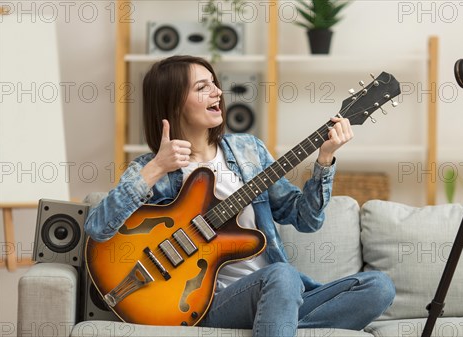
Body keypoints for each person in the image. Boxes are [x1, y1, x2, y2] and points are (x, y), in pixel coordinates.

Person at [85, 55, 395, 337]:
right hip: (209, 303)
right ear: (173, 102)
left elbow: (306, 219)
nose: (217, 92)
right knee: (282, 276)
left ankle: (275, 323)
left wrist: (324, 160)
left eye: (215, 85)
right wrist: (155, 169)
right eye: (202, 88)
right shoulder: (152, 169)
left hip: (276, 291)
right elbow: (98, 228)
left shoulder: (249, 151)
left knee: (378, 287)